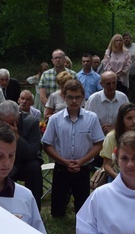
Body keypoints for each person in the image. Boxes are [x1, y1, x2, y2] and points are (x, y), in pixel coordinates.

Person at [42, 79, 104, 217]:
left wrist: (81, 161)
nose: (74, 101)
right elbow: (47, 145)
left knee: (83, 211)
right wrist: (64, 161)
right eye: (70, 97)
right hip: (61, 168)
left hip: (82, 168)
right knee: (57, 213)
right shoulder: (55, 119)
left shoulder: (91, 118)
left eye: (77, 97)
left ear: (83, 98)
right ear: (64, 97)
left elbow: (98, 144)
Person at [100, 103, 135, 180]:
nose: (134, 121)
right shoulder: (111, 137)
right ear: (121, 119)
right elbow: (106, 165)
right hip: (116, 177)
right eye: (129, 118)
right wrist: (117, 177)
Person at [86, 70, 129, 135]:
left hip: (119, 134)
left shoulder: (123, 98)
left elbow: (129, 118)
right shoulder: (93, 99)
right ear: (101, 84)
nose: (111, 86)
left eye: (114, 83)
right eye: (108, 84)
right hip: (97, 135)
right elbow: (86, 121)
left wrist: (115, 128)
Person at [122, 32, 135, 102]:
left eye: (127, 38)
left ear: (131, 39)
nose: (126, 40)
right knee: (127, 90)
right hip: (125, 73)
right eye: (124, 39)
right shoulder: (121, 47)